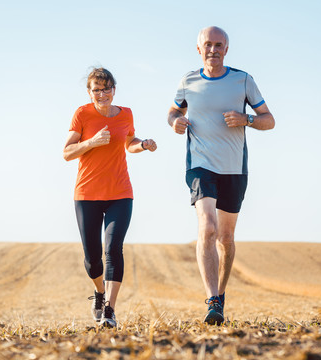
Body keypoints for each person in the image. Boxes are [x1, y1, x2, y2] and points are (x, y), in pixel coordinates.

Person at [167, 26, 275, 325]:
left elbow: (270, 120)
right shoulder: (187, 81)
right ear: (198, 48)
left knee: (226, 237)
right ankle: (211, 298)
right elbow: (172, 113)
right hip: (200, 165)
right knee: (208, 227)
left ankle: (221, 296)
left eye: (219, 45)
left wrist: (247, 119)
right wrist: (176, 121)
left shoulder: (243, 80)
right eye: (208, 45)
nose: (213, 50)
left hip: (234, 168)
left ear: (226, 49)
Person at [64, 67, 157, 328]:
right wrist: (91, 142)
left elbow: (129, 142)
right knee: (93, 258)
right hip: (87, 194)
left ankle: (109, 311)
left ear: (114, 90)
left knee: (113, 249)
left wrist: (143, 145)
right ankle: (99, 292)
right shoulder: (82, 114)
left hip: (120, 193)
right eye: (97, 89)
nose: (102, 94)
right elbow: (67, 152)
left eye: (106, 89)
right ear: (89, 92)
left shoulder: (125, 114)